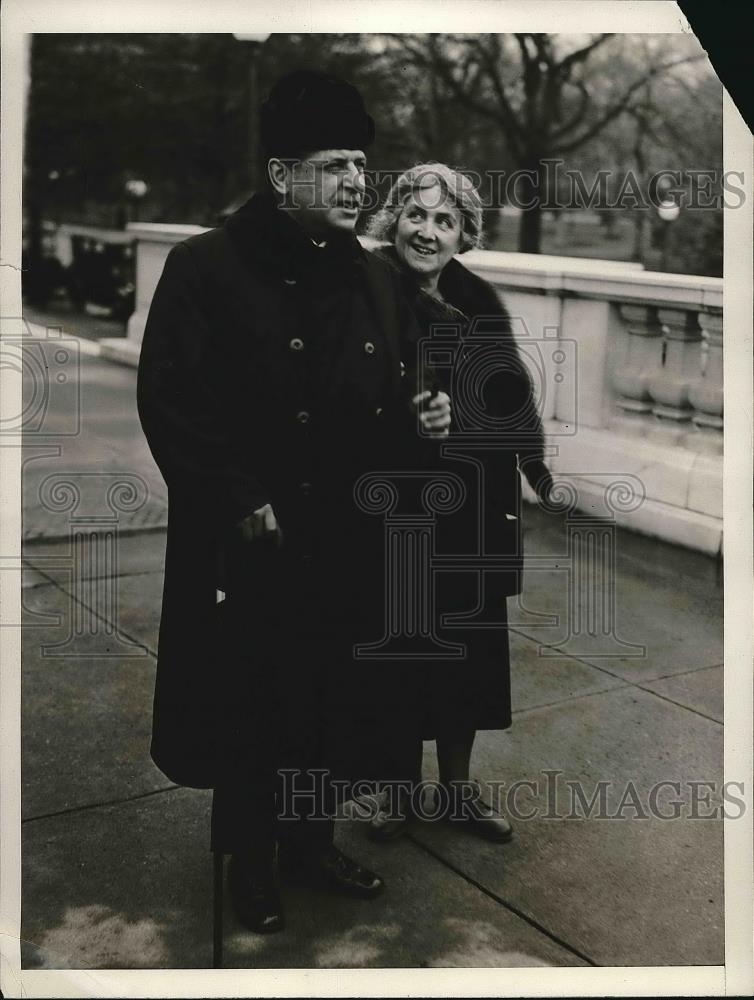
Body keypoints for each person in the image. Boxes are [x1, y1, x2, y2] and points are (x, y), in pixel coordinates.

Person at [136, 73, 451, 935]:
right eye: (337, 164)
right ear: (282, 177)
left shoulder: (378, 280)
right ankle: (251, 861)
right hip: (253, 539)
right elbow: (171, 399)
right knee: (250, 703)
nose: (359, 182)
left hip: (344, 541)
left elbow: (390, 401)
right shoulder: (203, 268)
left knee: (327, 700)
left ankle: (310, 844)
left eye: (362, 164)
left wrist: (423, 422)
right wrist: (236, 494)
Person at [364, 162, 553, 843]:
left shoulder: (478, 304)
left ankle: (458, 792)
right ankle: (394, 793)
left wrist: (530, 464)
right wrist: (401, 418)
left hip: (469, 509)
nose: (428, 230)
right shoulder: (366, 291)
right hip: (391, 511)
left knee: (466, 657)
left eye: (445, 221)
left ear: (464, 233)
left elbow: (509, 401)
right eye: (416, 215)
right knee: (395, 655)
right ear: (393, 220)